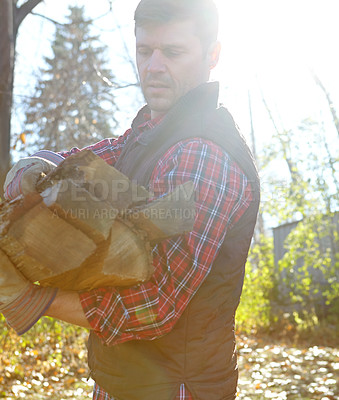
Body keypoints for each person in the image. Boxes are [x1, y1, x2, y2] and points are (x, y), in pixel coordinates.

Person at [0, 0, 260, 399]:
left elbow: (154, 304)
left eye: (172, 52)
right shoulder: (151, 131)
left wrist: (31, 297)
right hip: (124, 382)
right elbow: (87, 161)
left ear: (213, 54)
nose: (154, 66)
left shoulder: (205, 153)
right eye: (144, 51)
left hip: (176, 389)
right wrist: (34, 166)